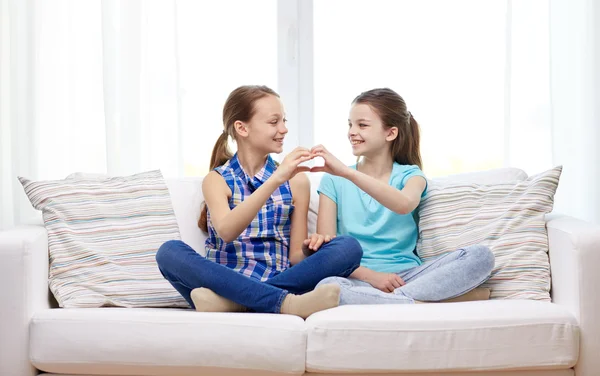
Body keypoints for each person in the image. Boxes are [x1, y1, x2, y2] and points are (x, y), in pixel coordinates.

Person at [155, 85, 363, 318]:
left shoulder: (297, 182)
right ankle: (286, 304)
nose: (283, 129)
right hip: (223, 280)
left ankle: (237, 304)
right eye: (274, 122)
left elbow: (295, 256)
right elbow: (226, 231)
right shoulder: (217, 180)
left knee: (348, 248)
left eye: (284, 120)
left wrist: (310, 248)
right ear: (242, 128)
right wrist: (276, 179)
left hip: (277, 279)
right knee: (168, 252)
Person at [314, 88, 494, 305]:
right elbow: (328, 252)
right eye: (350, 124)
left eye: (362, 125)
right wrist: (373, 277)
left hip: (409, 277)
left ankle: (393, 301)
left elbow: (404, 204)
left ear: (390, 133)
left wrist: (347, 172)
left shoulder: (411, 176)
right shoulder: (333, 181)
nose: (351, 131)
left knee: (481, 256)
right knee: (327, 287)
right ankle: (416, 303)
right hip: (357, 278)